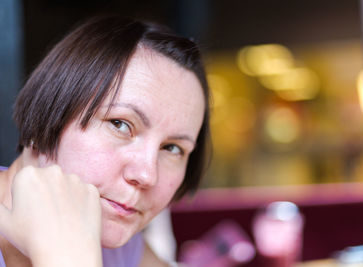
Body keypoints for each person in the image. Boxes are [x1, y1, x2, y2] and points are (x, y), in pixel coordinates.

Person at [0, 15, 210, 267]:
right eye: (120, 124)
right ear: (49, 109)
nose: (146, 175)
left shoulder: (119, 245)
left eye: (172, 148)